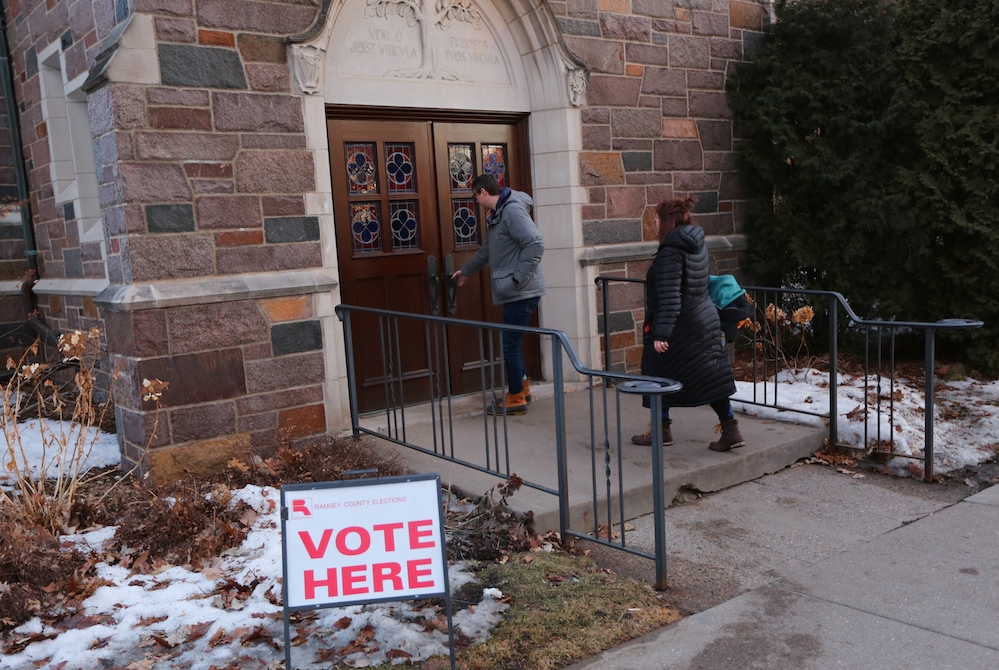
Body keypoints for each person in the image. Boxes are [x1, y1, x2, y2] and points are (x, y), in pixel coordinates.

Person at [631, 197, 745, 452]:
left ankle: (661, 431)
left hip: (678, 325)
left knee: (657, 375)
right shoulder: (694, 244)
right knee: (710, 376)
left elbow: (671, 295)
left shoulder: (671, 251)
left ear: (667, 221)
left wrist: (661, 333)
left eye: (657, 218)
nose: (655, 222)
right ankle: (731, 430)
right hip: (702, 320)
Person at [451, 174, 545, 415]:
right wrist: (467, 271)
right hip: (517, 290)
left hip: (519, 291)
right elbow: (488, 251)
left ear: (483, 193)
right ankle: (521, 389)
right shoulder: (499, 213)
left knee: (510, 343)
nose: (476, 200)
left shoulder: (511, 211)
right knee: (512, 341)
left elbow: (535, 243)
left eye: (475, 195)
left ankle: (516, 398)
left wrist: (518, 280)